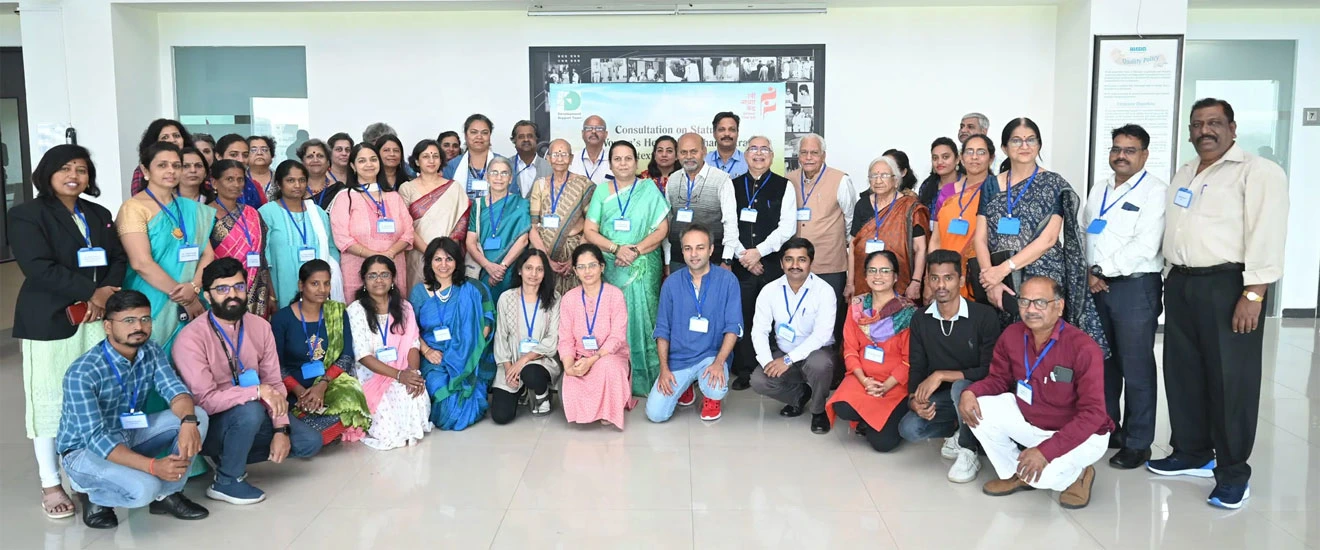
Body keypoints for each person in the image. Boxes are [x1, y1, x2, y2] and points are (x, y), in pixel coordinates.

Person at [1151, 98, 1290, 509]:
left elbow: (1267, 232)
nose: (1204, 131)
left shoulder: (1257, 172)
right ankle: (1192, 451)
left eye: (1214, 123)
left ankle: (1233, 473)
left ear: (1232, 128)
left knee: (1231, 381)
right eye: (1197, 124)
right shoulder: (1185, 171)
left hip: (1229, 285)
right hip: (1181, 282)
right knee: (1183, 373)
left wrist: (1254, 293)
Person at [10, 144, 128, 519]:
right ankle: (51, 483)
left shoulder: (98, 213)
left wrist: (105, 294)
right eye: (65, 168)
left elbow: (118, 258)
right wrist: (90, 292)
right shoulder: (26, 214)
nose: (73, 175)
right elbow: (38, 266)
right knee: (49, 402)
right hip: (50, 320)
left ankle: (88, 478)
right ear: (47, 173)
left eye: (81, 169)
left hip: (96, 320)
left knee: (94, 400)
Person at [173, 258, 324, 505]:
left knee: (309, 442)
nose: (232, 295)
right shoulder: (191, 338)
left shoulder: (260, 327)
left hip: (254, 413)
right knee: (250, 409)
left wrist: (281, 429)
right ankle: (226, 481)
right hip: (212, 424)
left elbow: (274, 382)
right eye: (222, 289)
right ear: (208, 296)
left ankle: (232, 454)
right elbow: (205, 401)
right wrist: (256, 391)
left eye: (239, 287)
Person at [57, 290, 210, 529]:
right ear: (108, 326)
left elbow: (175, 391)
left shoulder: (151, 351)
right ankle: (91, 493)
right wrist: (153, 467)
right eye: (129, 320)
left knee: (198, 416)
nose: (139, 327)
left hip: (129, 432)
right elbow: (97, 440)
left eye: (145, 319)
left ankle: (167, 495)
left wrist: (188, 422)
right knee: (146, 488)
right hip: (85, 451)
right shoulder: (82, 373)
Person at [959, 276, 1112, 509]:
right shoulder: (1012, 335)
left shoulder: (1083, 348)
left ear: (1059, 306)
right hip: (1034, 423)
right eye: (1024, 302)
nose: (1031, 310)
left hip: (1081, 436)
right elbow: (999, 379)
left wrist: (1046, 452)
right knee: (978, 407)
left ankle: (1080, 474)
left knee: (1042, 481)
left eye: (1040, 302)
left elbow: (1094, 414)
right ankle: (1016, 473)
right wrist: (970, 392)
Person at [973, 118, 1106, 354]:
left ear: (1039, 145)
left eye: (1031, 140)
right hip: (1001, 281)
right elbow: (980, 237)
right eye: (1016, 140)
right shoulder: (991, 185)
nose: (1024, 146)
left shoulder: (1053, 183)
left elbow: (1049, 239)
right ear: (1004, 147)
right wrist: (990, 280)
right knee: (1008, 348)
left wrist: (1003, 269)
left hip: (1043, 275)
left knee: (1044, 345)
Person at [1083, 124, 1168, 470]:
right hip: (1096, 287)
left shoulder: (1155, 191)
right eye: (1116, 148)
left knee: (1136, 367)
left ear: (1144, 155)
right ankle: (1110, 429)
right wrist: (1090, 273)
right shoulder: (1099, 188)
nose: (1121, 155)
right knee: (1104, 364)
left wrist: (1101, 270)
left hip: (1134, 287)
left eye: (1130, 150)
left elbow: (1146, 245)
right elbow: (1087, 232)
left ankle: (1138, 443)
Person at [899, 250, 1001, 483]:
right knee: (909, 429)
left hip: (979, 396)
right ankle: (962, 430)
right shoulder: (921, 318)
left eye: (948, 278)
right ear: (927, 280)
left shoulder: (984, 316)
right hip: (945, 400)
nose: (941, 285)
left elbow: (990, 370)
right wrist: (913, 400)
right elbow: (917, 365)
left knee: (961, 388)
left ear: (961, 280)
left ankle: (968, 449)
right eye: (935, 278)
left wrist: (941, 375)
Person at [583, 141, 670, 396]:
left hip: (643, 265)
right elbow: (589, 230)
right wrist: (616, 249)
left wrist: (634, 251)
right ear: (610, 164)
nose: (623, 163)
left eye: (628, 158)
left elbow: (662, 229)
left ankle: (648, 378)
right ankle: (614, 379)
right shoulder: (602, 191)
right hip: (611, 267)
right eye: (617, 159)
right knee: (613, 323)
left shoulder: (648, 189)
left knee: (645, 320)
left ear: (636, 162)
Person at [118, 142, 216, 357]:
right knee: (151, 359)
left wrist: (194, 287)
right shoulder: (133, 208)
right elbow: (141, 263)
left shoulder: (191, 209)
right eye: (162, 165)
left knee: (192, 358)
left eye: (176, 165)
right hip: (150, 298)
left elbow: (208, 254)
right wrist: (186, 298)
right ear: (145, 170)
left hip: (193, 294)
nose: (171, 171)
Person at [646, 225, 742, 422]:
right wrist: (664, 369)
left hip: (711, 356)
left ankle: (711, 398)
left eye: (700, 247)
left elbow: (733, 327)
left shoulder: (728, 280)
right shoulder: (671, 283)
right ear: (682, 251)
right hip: (679, 359)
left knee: (715, 387)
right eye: (688, 248)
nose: (694, 254)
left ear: (711, 249)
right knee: (655, 414)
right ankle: (686, 386)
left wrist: (719, 363)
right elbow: (662, 329)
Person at [270, 259, 371, 445]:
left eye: (326, 283)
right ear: (301, 285)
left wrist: (322, 385)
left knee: (352, 396)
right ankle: (307, 428)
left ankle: (309, 431)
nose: (322, 289)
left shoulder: (337, 313)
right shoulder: (282, 319)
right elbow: (275, 364)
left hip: (329, 383)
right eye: (315, 283)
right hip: (293, 388)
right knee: (286, 410)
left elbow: (346, 355)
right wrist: (300, 392)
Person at [825, 251, 916, 452]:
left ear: (895, 277)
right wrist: (864, 380)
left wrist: (885, 386)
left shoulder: (908, 313)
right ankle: (868, 416)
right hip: (862, 378)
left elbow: (909, 361)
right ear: (865, 276)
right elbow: (850, 350)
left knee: (882, 444)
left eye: (885, 271)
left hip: (894, 384)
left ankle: (894, 414)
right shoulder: (857, 307)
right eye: (872, 270)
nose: (878, 276)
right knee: (843, 407)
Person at [728, 136, 797, 391]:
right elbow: (728, 225)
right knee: (744, 316)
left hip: (771, 265)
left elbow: (787, 227)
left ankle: (775, 366)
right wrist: (745, 257)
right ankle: (745, 370)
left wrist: (759, 252)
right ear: (746, 155)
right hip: (741, 266)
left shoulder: (784, 186)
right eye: (754, 149)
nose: (759, 154)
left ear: (772, 155)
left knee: (774, 317)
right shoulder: (732, 185)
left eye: (764, 149)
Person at [749, 238, 838, 433]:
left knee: (820, 364)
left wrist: (788, 360)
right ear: (781, 263)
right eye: (789, 259)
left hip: (816, 352)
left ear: (811, 262)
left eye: (801, 260)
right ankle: (800, 395)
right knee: (759, 380)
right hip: (784, 352)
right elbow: (759, 330)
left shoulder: (824, 291)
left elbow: (822, 335)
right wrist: (767, 362)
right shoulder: (769, 291)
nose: (795, 265)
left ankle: (818, 410)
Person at [349, 255, 432, 450]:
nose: (379, 280)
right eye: (372, 275)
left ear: (393, 278)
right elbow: (363, 355)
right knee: (389, 433)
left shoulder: (404, 307)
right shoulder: (356, 310)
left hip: (403, 370)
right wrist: (399, 375)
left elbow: (413, 344)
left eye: (384, 274)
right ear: (364, 280)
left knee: (415, 397)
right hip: (370, 375)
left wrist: (413, 373)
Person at [409, 238, 491, 431]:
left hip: (466, 356)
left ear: (457, 262)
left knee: (465, 400)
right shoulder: (419, 292)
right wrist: (427, 351)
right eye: (437, 259)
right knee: (446, 404)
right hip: (434, 356)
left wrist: (469, 350)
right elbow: (411, 329)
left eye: (449, 259)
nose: (443, 265)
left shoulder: (473, 288)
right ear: (429, 262)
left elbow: (487, 320)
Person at [787, 134, 859, 347]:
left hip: (830, 264)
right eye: (804, 153)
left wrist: (840, 243)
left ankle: (830, 363)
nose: (809, 157)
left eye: (814, 153)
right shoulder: (789, 180)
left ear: (823, 155)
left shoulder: (840, 180)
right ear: (798, 156)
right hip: (797, 265)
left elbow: (851, 219)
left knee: (830, 320)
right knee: (800, 317)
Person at [558, 244, 632, 428]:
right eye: (581, 267)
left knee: (607, 366)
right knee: (571, 380)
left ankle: (609, 409)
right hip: (580, 358)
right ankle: (591, 409)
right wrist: (569, 367)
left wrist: (593, 359)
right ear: (575, 271)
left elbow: (617, 337)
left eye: (592, 265)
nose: (587, 271)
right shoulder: (569, 298)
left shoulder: (615, 295)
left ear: (602, 267)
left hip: (609, 356)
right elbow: (565, 339)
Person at [330, 142, 415, 299]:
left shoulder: (394, 196)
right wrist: (375, 256)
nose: (369, 164)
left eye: (373, 159)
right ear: (353, 166)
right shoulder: (345, 197)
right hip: (357, 269)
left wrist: (390, 253)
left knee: (394, 311)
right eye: (362, 160)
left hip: (393, 266)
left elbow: (409, 232)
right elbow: (342, 238)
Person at [259, 159, 344, 307]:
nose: (297, 185)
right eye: (290, 180)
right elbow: (264, 258)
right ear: (279, 184)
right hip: (282, 286)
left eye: (302, 180)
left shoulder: (317, 212)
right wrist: (270, 295)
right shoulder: (267, 212)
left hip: (319, 288)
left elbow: (331, 250)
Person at [492, 249, 562, 423]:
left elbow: (552, 339)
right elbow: (501, 336)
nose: (534, 274)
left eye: (539, 269)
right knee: (501, 416)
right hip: (511, 360)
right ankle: (522, 391)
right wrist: (509, 368)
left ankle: (541, 394)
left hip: (540, 360)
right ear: (519, 270)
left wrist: (523, 361)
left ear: (545, 273)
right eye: (529, 268)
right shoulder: (506, 298)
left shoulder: (554, 299)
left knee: (531, 373)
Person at [849, 155, 928, 302]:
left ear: (896, 180)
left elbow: (920, 248)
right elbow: (853, 245)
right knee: (865, 314)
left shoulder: (910, 207)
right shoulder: (862, 205)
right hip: (864, 281)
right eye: (874, 176)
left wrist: (916, 282)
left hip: (900, 282)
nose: (878, 180)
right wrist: (850, 283)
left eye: (884, 175)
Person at [663, 132, 739, 274]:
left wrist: (727, 259)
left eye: (694, 151)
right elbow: (668, 222)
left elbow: (730, 222)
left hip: (713, 260)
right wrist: (668, 260)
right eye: (683, 152)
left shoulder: (721, 180)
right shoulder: (672, 180)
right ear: (677, 154)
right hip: (678, 260)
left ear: (704, 151)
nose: (688, 156)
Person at [930, 135, 994, 301]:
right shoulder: (947, 191)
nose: (974, 157)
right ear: (962, 158)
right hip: (943, 275)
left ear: (991, 158)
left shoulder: (997, 192)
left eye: (981, 152)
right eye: (969, 152)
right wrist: (929, 276)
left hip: (979, 275)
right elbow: (936, 239)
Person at [209, 159, 275, 318]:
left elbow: (262, 257)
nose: (236, 184)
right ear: (214, 183)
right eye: (229, 179)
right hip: (223, 290)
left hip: (257, 291)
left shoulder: (252, 213)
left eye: (240, 179)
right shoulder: (205, 215)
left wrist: (271, 294)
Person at [400, 139, 469, 290]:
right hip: (418, 256)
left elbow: (461, 223)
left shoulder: (454, 187)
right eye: (426, 156)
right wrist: (429, 253)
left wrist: (444, 253)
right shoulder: (406, 188)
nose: (431, 160)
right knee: (419, 295)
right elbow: (405, 225)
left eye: (435, 156)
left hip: (448, 258)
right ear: (417, 161)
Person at [529, 139, 595, 294]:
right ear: (548, 158)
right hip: (545, 254)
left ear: (571, 159)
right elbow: (533, 227)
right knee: (547, 300)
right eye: (555, 154)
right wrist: (546, 260)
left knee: (575, 300)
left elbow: (591, 226)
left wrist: (575, 258)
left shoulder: (583, 185)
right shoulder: (540, 185)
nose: (559, 158)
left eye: (564, 154)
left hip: (575, 254)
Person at [466, 156, 532, 300]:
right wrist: (488, 266)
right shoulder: (478, 204)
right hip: (482, 268)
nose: (499, 177)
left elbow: (523, 241)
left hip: (510, 270)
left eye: (504, 173)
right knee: (485, 309)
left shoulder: (521, 204)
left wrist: (502, 268)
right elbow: (470, 242)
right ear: (487, 177)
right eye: (494, 173)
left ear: (511, 178)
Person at [919, 113, 991, 212]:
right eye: (962, 126)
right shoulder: (928, 185)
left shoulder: (989, 174)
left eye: (970, 127)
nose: (963, 130)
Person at [442, 114, 504, 200]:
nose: (479, 137)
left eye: (484, 133)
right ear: (465, 135)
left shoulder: (503, 163)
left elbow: (512, 199)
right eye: (474, 132)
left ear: (490, 135)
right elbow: (445, 199)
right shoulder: (452, 165)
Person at [130, 118, 193, 195]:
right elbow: (139, 198)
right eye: (165, 137)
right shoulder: (146, 168)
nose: (172, 140)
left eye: (176, 136)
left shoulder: (196, 163)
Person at [215, 134, 265, 206]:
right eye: (233, 155)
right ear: (219, 156)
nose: (241, 160)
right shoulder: (207, 186)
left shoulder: (254, 185)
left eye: (245, 155)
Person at [922, 137, 962, 222]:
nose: (939, 162)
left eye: (945, 157)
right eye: (935, 158)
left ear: (957, 159)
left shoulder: (966, 184)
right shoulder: (927, 185)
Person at [510, 120, 552, 198]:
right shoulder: (505, 166)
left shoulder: (549, 168)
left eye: (530, 136)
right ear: (514, 141)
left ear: (536, 139)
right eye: (521, 137)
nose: (526, 139)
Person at [569, 115, 610, 184]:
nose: (593, 131)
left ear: (606, 134)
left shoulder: (613, 160)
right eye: (588, 128)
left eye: (599, 128)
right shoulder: (572, 160)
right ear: (582, 133)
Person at [706, 112, 748, 178]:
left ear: (737, 133)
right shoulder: (704, 161)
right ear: (714, 134)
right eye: (722, 130)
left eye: (732, 130)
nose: (727, 134)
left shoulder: (748, 161)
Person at [298, 139, 335, 208]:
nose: (315, 160)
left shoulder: (338, 190)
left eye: (320, 156)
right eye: (310, 156)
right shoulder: (295, 189)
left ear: (328, 162)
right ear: (302, 163)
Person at [246, 135, 276, 204]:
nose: (259, 153)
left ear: (272, 156)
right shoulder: (240, 178)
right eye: (253, 150)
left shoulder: (281, 178)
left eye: (264, 150)